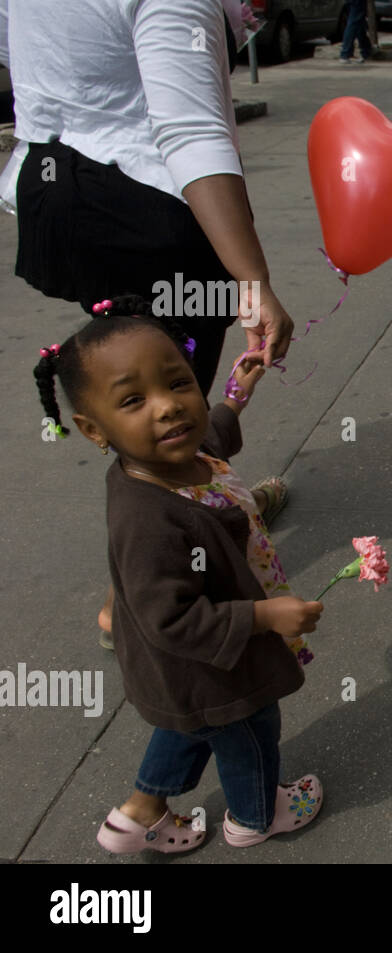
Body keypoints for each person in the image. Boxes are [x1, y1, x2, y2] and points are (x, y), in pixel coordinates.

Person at [1, 0, 297, 647]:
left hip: (60, 193)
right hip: (147, 205)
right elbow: (191, 132)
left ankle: (214, 514)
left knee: (136, 394)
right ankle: (145, 589)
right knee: (171, 401)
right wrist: (253, 284)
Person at [33, 296, 324, 854]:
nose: (169, 408)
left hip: (184, 674)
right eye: (134, 400)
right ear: (94, 430)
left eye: (179, 383)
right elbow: (172, 618)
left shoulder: (178, 458)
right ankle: (257, 815)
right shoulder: (149, 516)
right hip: (216, 664)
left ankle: (139, 813)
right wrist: (265, 614)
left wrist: (237, 393)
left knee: (189, 725)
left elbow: (210, 435)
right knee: (249, 731)